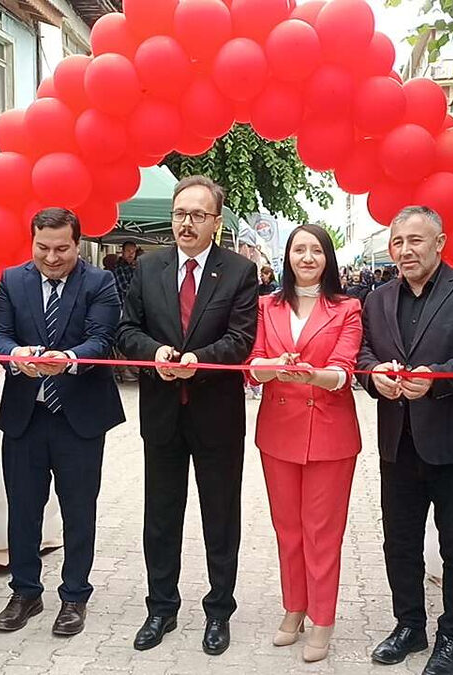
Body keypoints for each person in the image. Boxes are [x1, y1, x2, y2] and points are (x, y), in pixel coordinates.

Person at [357, 206, 453, 675]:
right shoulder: (377, 298)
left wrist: (437, 378)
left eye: (416, 241)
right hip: (397, 442)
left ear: (440, 243)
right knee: (398, 542)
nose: (405, 251)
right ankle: (409, 625)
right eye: (398, 242)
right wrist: (372, 374)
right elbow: (363, 352)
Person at [117, 175, 258, 655]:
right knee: (160, 517)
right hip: (161, 414)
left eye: (198, 215)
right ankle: (161, 608)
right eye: (180, 214)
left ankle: (219, 611)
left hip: (215, 414)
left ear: (216, 223)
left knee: (220, 518)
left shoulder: (239, 271)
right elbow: (126, 330)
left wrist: (197, 365)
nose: (186, 223)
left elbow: (241, 339)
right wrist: (155, 352)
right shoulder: (149, 268)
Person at [0, 208, 126, 635]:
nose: (51, 257)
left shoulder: (100, 282)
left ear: (78, 244)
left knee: (78, 511)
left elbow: (102, 340)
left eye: (61, 248)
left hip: (79, 416)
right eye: (42, 248)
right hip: (25, 414)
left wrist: (67, 360)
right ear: (32, 243)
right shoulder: (13, 280)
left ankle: (74, 596)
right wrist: (17, 356)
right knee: (23, 510)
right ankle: (25, 592)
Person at [246, 224, 362, 663]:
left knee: (322, 532)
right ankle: (294, 607)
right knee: (288, 530)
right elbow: (253, 364)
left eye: (316, 250)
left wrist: (314, 374)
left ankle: (323, 619)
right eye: (299, 249)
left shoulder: (347, 307)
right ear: (287, 257)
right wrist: (272, 366)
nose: (307, 257)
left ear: (328, 258)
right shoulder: (266, 306)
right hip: (278, 431)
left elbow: (345, 368)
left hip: (330, 433)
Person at [112, 242, 139, 383]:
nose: (130, 254)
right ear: (122, 251)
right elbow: (127, 289)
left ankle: (131, 365)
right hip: (121, 308)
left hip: (131, 308)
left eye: (133, 252)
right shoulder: (120, 268)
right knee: (123, 337)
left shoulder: (132, 267)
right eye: (128, 251)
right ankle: (123, 368)